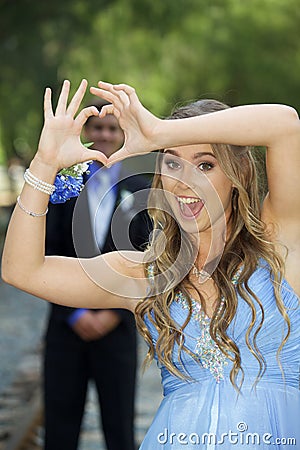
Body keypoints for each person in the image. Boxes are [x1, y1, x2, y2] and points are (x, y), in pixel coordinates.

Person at [1, 79, 299, 450]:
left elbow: (286, 125)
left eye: (205, 165)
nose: (185, 181)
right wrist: (44, 165)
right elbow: (21, 270)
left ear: (237, 174)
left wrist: (159, 131)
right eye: (172, 162)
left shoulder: (279, 245)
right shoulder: (145, 273)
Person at [43, 98, 152, 450]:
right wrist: (74, 311)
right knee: (60, 429)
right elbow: (46, 249)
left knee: (119, 429)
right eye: (97, 128)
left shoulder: (140, 190)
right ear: (86, 133)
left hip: (116, 328)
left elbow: (145, 257)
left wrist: (113, 312)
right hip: (66, 325)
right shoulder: (62, 184)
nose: (104, 134)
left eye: (111, 128)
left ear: (122, 135)